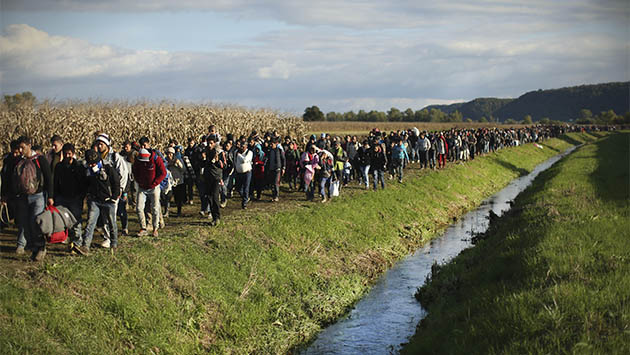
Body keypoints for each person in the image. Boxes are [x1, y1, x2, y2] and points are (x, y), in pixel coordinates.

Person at [12, 136, 54, 261]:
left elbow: (48, 178)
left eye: (22, 147)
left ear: (29, 146)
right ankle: (33, 248)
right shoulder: (19, 161)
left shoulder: (40, 159)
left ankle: (41, 247)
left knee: (35, 223)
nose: (20, 150)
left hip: (38, 196)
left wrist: (50, 196)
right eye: (19, 147)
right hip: (23, 197)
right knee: (25, 224)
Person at [73, 149, 120, 255]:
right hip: (95, 200)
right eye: (90, 163)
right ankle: (85, 246)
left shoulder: (107, 167)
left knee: (112, 223)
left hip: (108, 200)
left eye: (94, 163)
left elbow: (116, 182)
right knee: (90, 222)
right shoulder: (87, 170)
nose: (92, 165)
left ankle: (114, 244)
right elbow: (85, 184)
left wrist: (114, 197)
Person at [94, 133, 129, 248]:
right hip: (101, 193)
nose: (99, 146)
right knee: (103, 217)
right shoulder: (96, 157)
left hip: (113, 193)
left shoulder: (115, 157)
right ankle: (106, 237)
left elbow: (123, 174)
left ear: (107, 145)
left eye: (101, 144)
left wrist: (119, 191)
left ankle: (113, 239)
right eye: (98, 144)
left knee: (111, 217)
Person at [53, 143, 86, 250]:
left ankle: (77, 241)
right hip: (62, 197)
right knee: (64, 220)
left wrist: (81, 196)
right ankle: (67, 237)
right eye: (65, 154)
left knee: (76, 220)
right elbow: (56, 182)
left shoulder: (79, 167)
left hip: (75, 198)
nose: (67, 156)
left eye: (69, 154)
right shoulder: (59, 167)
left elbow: (83, 183)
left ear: (73, 154)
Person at [133, 148, 167, 237]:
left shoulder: (156, 159)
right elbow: (135, 171)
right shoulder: (138, 161)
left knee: (155, 208)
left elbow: (163, 172)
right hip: (142, 187)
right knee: (139, 208)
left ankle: (155, 228)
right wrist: (139, 181)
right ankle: (143, 228)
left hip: (154, 187)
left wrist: (155, 182)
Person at [0, 140, 23, 250]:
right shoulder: (7, 161)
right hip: (9, 192)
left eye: (17, 153)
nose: (15, 155)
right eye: (13, 153)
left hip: (20, 193)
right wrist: (3, 195)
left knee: (20, 218)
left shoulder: (24, 162)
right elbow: (4, 179)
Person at [204, 135, 224, 226]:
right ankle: (213, 215)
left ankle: (217, 217)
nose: (209, 145)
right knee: (209, 197)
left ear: (215, 143)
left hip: (216, 177)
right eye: (208, 143)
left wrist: (217, 161)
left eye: (211, 143)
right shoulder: (206, 152)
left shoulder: (219, 153)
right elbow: (203, 165)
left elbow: (224, 165)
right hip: (208, 177)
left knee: (215, 197)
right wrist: (203, 159)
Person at [165, 147, 186, 217]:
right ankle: (166, 211)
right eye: (168, 154)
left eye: (171, 154)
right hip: (169, 182)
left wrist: (178, 164)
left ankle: (179, 212)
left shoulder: (178, 160)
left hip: (178, 181)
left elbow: (183, 169)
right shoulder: (165, 161)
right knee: (168, 197)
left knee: (178, 198)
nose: (169, 155)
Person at [234, 140, 253, 209]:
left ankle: (244, 203)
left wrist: (239, 155)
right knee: (238, 188)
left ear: (246, 146)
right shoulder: (236, 152)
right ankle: (245, 197)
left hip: (247, 172)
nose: (241, 148)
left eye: (243, 146)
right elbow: (235, 161)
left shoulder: (249, 152)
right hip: (239, 173)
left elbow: (244, 160)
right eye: (240, 146)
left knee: (246, 187)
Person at [265, 137, 285, 202]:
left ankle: (276, 196)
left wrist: (283, 167)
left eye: (272, 144)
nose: (271, 145)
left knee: (276, 182)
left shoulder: (279, 150)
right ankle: (273, 196)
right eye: (270, 144)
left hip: (277, 169)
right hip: (271, 169)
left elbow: (283, 159)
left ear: (275, 144)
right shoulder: (269, 151)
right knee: (272, 183)